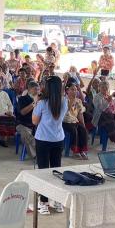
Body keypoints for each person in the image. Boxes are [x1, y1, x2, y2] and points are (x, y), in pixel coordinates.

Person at [32, 75, 68, 215]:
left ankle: (43, 203)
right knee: (56, 171)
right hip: (58, 139)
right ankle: (58, 202)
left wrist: (36, 102)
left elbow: (35, 121)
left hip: (43, 139)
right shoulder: (64, 102)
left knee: (43, 171)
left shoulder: (42, 103)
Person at [63, 82, 88, 160]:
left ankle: (81, 151)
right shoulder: (64, 99)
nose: (75, 91)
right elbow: (65, 111)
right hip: (65, 121)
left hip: (74, 121)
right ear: (67, 91)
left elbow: (80, 114)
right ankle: (75, 151)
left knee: (83, 129)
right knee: (74, 131)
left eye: (76, 90)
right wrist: (72, 100)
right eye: (72, 89)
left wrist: (83, 124)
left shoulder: (78, 101)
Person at [16, 81, 40, 159]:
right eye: (35, 89)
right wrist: (34, 103)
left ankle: (42, 153)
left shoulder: (41, 101)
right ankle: (37, 156)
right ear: (29, 89)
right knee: (26, 135)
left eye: (38, 89)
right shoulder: (22, 99)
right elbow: (23, 112)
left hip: (36, 125)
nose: (37, 91)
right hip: (23, 124)